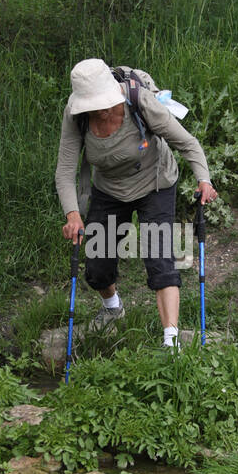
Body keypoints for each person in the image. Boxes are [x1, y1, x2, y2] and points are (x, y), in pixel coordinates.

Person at [54, 59, 218, 347]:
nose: (101, 111)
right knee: (97, 267)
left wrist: (203, 179)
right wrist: (73, 215)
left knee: (160, 258)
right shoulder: (75, 115)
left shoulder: (138, 102)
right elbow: (65, 170)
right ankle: (113, 309)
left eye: (103, 103)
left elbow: (187, 143)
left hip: (155, 182)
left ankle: (171, 341)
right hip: (108, 189)